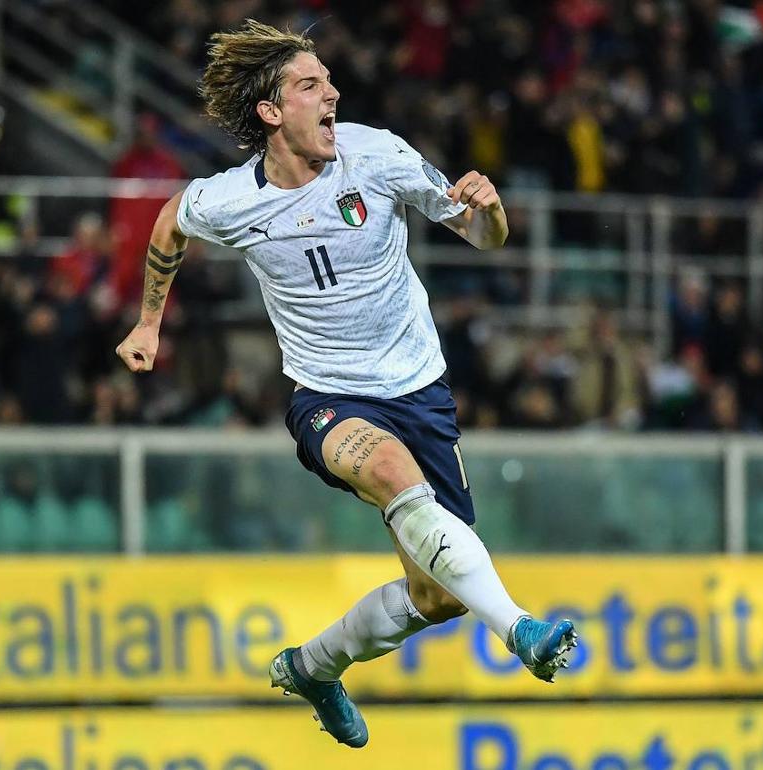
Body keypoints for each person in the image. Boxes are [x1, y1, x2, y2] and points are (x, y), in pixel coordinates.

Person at [113, 20, 577, 750]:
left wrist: (488, 209)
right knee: (392, 474)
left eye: (329, 80)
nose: (333, 92)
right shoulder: (233, 200)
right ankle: (519, 629)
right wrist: (149, 322)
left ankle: (313, 668)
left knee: (437, 596)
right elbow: (171, 223)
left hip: (420, 392)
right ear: (272, 113)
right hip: (328, 400)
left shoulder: (379, 155)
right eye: (310, 84)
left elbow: (484, 238)